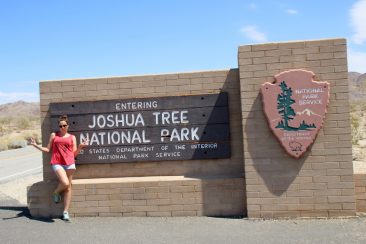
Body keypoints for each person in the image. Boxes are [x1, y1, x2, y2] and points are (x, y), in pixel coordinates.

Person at [31, 115, 88, 221]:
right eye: (60, 125)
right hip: (57, 163)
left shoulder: (72, 137)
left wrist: (80, 147)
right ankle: (56, 192)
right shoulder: (54, 135)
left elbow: (74, 154)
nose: (62, 127)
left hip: (70, 163)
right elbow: (48, 149)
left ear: (68, 126)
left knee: (68, 187)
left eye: (64, 125)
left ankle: (65, 212)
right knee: (65, 183)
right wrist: (36, 145)